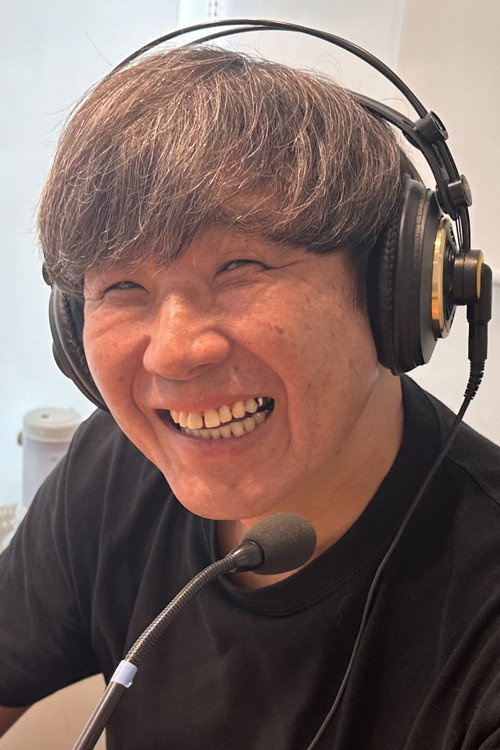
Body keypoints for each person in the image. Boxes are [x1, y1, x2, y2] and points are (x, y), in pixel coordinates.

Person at [0, 43, 499, 750]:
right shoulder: (112, 469)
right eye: (122, 287)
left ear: (400, 289)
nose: (172, 352)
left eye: (240, 266)